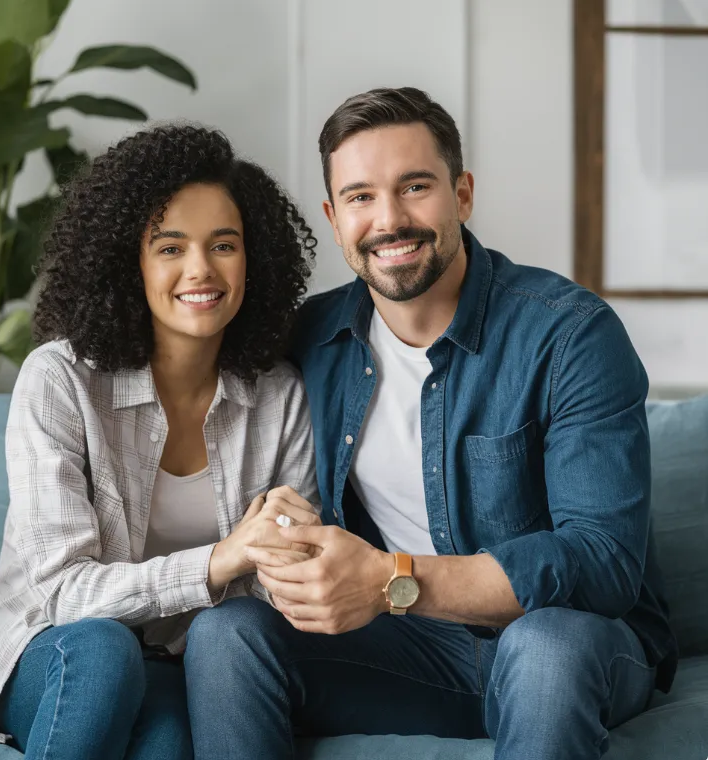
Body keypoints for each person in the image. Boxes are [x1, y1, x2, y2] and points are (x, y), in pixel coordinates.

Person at [187, 87, 678, 760]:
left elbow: (603, 563)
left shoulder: (570, 334)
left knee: (545, 648)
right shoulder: (309, 339)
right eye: (360, 197)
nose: (389, 220)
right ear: (334, 219)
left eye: (414, 186)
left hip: (571, 647)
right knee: (228, 633)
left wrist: (391, 579)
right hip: (415, 655)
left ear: (463, 194)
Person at [0, 124, 322, 760]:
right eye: (170, 247)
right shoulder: (60, 379)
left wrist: (289, 558)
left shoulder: (278, 398)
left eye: (224, 245)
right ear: (131, 261)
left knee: (168, 744)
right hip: (50, 644)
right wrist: (221, 560)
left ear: (252, 260)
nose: (200, 269)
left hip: (174, 662)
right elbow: (65, 592)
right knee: (103, 648)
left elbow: (275, 592)